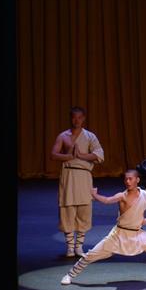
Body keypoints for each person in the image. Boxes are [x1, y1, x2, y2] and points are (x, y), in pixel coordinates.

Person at [61, 170, 146, 284]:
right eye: (126, 180)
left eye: (130, 179)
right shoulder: (122, 195)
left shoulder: (144, 194)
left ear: (137, 180)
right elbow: (107, 200)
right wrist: (95, 195)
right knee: (91, 255)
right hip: (119, 235)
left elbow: (141, 210)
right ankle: (70, 275)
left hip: (137, 234)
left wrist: (142, 220)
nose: (128, 182)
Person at [51, 106, 104, 257]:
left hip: (84, 176)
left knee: (84, 209)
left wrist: (81, 155)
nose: (77, 120)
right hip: (68, 175)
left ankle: (79, 246)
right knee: (67, 209)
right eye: (74, 117)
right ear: (70, 118)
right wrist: (68, 156)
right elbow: (53, 155)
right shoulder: (63, 136)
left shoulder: (90, 136)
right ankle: (69, 247)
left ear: (84, 118)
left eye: (80, 117)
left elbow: (99, 154)